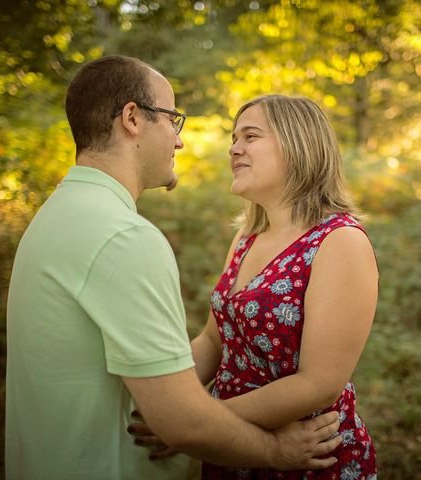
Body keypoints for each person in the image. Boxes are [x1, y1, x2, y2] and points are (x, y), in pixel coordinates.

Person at [5, 56, 342, 479]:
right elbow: (185, 416)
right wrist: (272, 449)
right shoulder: (124, 237)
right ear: (132, 118)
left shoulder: (57, 214)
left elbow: (315, 379)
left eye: (249, 136)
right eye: (172, 119)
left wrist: (207, 416)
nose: (180, 141)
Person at [131, 95, 379, 478]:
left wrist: (198, 423)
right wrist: (165, 395)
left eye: (250, 136)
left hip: (309, 456)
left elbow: (318, 385)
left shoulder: (339, 242)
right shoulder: (248, 237)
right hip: (234, 451)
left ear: (299, 145)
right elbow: (214, 342)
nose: (234, 149)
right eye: (234, 138)